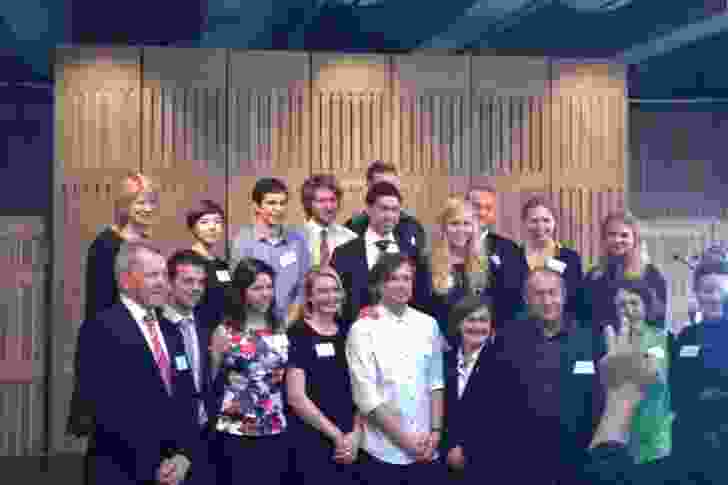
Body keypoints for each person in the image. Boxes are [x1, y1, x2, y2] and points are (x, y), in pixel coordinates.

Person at [458, 268, 602, 485]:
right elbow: (480, 396)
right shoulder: (506, 340)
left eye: (552, 293)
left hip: (576, 459)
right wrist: (463, 444)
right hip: (519, 461)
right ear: (527, 299)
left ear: (564, 296)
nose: (547, 301)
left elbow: (600, 398)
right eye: (539, 294)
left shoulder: (588, 340)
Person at [76, 242, 199, 485]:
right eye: (153, 275)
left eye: (165, 275)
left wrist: (185, 455)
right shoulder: (101, 329)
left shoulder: (170, 330)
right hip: (122, 470)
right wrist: (151, 466)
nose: (162, 282)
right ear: (125, 280)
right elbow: (103, 408)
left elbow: (187, 398)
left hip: (176, 470)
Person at [68, 171, 161, 484]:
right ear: (124, 204)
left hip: (141, 341)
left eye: (150, 201)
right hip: (113, 346)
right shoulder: (106, 245)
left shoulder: (143, 242)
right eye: (139, 201)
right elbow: (100, 307)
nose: (146, 207)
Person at [346, 253, 446, 485]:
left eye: (407, 278)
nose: (402, 284)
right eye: (393, 278)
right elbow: (366, 397)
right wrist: (405, 441)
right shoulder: (363, 329)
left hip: (426, 446)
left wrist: (436, 432)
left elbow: (436, 382)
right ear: (379, 284)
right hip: (383, 451)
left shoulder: (428, 324)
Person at [209, 257, 290, 485]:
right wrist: (215, 355)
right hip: (236, 428)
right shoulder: (226, 330)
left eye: (269, 287)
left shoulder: (279, 326)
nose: (266, 293)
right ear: (242, 291)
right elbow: (209, 381)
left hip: (275, 425)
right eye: (257, 288)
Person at [286, 267, 362, 485]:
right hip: (312, 439)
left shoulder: (349, 331)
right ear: (309, 297)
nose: (331, 297)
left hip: (350, 442)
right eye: (322, 291)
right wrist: (336, 435)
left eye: (335, 290)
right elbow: (296, 397)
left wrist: (355, 435)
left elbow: (361, 388)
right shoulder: (297, 333)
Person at [331, 181, 432, 323]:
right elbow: (335, 302)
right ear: (368, 209)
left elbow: (423, 300)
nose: (390, 215)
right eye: (384, 209)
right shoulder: (344, 254)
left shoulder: (413, 253)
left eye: (395, 210)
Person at [160, 249, 220, 484]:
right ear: (170, 283)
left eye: (201, 282)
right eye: (188, 281)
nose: (196, 288)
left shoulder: (205, 327)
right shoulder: (156, 328)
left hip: (202, 440)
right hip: (166, 447)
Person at [230, 177, 311, 326]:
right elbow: (238, 290)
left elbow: (303, 287)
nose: (278, 209)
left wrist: (286, 323)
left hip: (291, 324)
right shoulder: (242, 242)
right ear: (257, 207)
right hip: (254, 325)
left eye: (282, 203)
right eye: (271, 203)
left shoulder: (298, 241)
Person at [580, 212, 668, 333]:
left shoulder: (651, 275)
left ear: (635, 239)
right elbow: (584, 320)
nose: (617, 240)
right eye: (612, 234)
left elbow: (657, 322)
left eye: (624, 235)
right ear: (604, 238)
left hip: (640, 346)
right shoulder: (594, 275)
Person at [441, 295, 496, 479]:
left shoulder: (502, 363)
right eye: (471, 319)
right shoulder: (444, 361)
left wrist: (466, 449)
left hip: (485, 463)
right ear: (458, 323)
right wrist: (448, 448)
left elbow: (502, 417)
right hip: (444, 460)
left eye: (483, 320)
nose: (477, 326)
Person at [466, 184, 529, 324]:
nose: (482, 213)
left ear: (494, 214)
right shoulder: (448, 247)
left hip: (498, 331)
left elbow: (517, 297)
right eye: (476, 206)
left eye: (488, 208)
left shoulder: (509, 250)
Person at [429, 195, 488, 336]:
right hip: (438, 344)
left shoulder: (485, 263)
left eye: (466, 224)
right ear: (443, 227)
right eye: (454, 223)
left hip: (477, 344)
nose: (461, 230)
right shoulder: (426, 263)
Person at [519, 195, 583, 318]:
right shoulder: (512, 257)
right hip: (521, 330)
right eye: (534, 221)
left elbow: (577, 301)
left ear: (555, 222)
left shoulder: (570, 258)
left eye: (546, 220)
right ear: (524, 223)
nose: (540, 226)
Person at [345, 160, 427, 254]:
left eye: (392, 187)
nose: (388, 193)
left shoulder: (412, 228)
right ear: (369, 187)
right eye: (381, 188)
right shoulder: (352, 228)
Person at [186, 199, 231, 328]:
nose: (212, 227)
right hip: (197, 329)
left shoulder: (222, 265)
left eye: (217, 222)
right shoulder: (186, 261)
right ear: (193, 227)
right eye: (204, 222)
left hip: (222, 332)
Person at [300, 174, 357, 268]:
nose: (328, 207)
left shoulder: (350, 239)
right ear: (308, 204)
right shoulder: (296, 239)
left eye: (332, 200)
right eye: (321, 201)